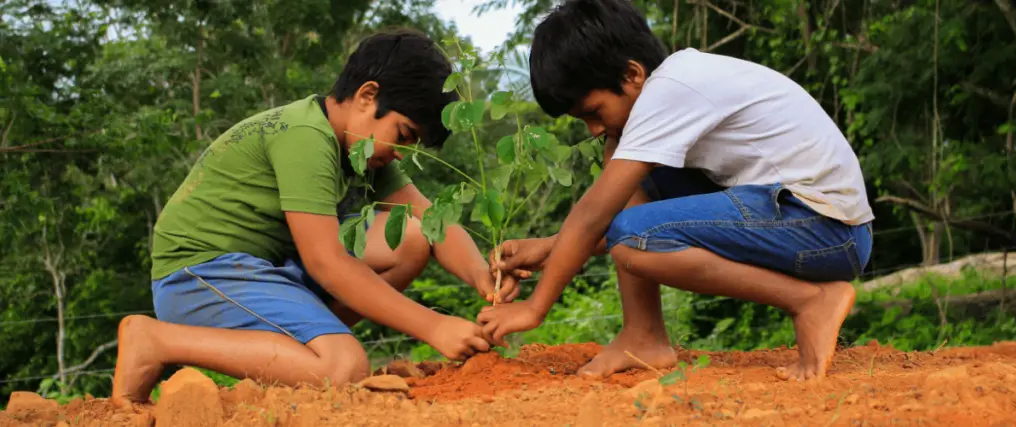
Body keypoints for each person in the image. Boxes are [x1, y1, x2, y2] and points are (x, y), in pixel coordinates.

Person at [111, 29, 519, 408]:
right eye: (404, 134)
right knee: (343, 369)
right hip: (200, 275)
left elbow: (431, 221)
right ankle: (157, 340)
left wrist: (481, 275)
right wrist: (433, 327)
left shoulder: (364, 149)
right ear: (366, 96)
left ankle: (301, 354)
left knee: (410, 239)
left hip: (266, 272)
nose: (403, 152)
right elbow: (326, 262)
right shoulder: (305, 136)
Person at [478, 0, 874, 382]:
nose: (593, 129)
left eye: (593, 112)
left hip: (827, 229)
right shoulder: (666, 90)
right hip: (810, 223)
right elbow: (612, 211)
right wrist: (549, 248)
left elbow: (597, 216)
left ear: (632, 75)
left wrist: (535, 308)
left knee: (632, 234)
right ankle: (643, 335)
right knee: (622, 169)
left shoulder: (672, 90)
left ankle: (809, 300)